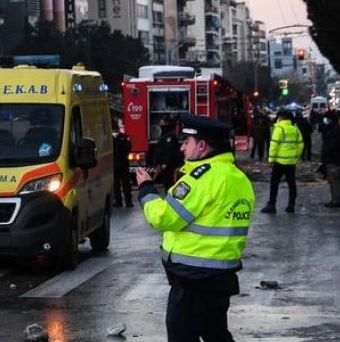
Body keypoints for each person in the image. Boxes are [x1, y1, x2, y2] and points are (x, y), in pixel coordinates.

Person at [135, 114, 255, 342]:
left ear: (201, 145)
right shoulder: (239, 178)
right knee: (215, 334)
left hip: (192, 279)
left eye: (186, 142)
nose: (182, 148)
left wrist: (146, 188)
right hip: (221, 276)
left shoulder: (201, 179)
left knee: (182, 335)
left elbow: (163, 218)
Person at [262, 109, 304, 214]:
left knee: (274, 183)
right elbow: (300, 145)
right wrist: (296, 157)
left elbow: (274, 145)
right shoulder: (295, 130)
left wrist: (271, 159)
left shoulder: (279, 129)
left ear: (282, 117)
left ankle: (272, 205)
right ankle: (291, 205)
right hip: (291, 163)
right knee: (292, 184)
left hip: (279, 162)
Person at [320, 110, 340, 208]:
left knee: (334, 180)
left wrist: (327, 155)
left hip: (333, 159)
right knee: (332, 180)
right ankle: (335, 199)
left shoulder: (335, 130)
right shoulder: (332, 129)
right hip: (331, 159)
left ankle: (337, 200)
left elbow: (332, 145)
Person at [113, 128, 134, 208]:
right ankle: (119, 201)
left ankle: (127, 201)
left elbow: (128, 147)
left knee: (125, 184)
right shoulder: (122, 137)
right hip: (118, 164)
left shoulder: (124, 137)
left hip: (122, 164)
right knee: (117, 184)